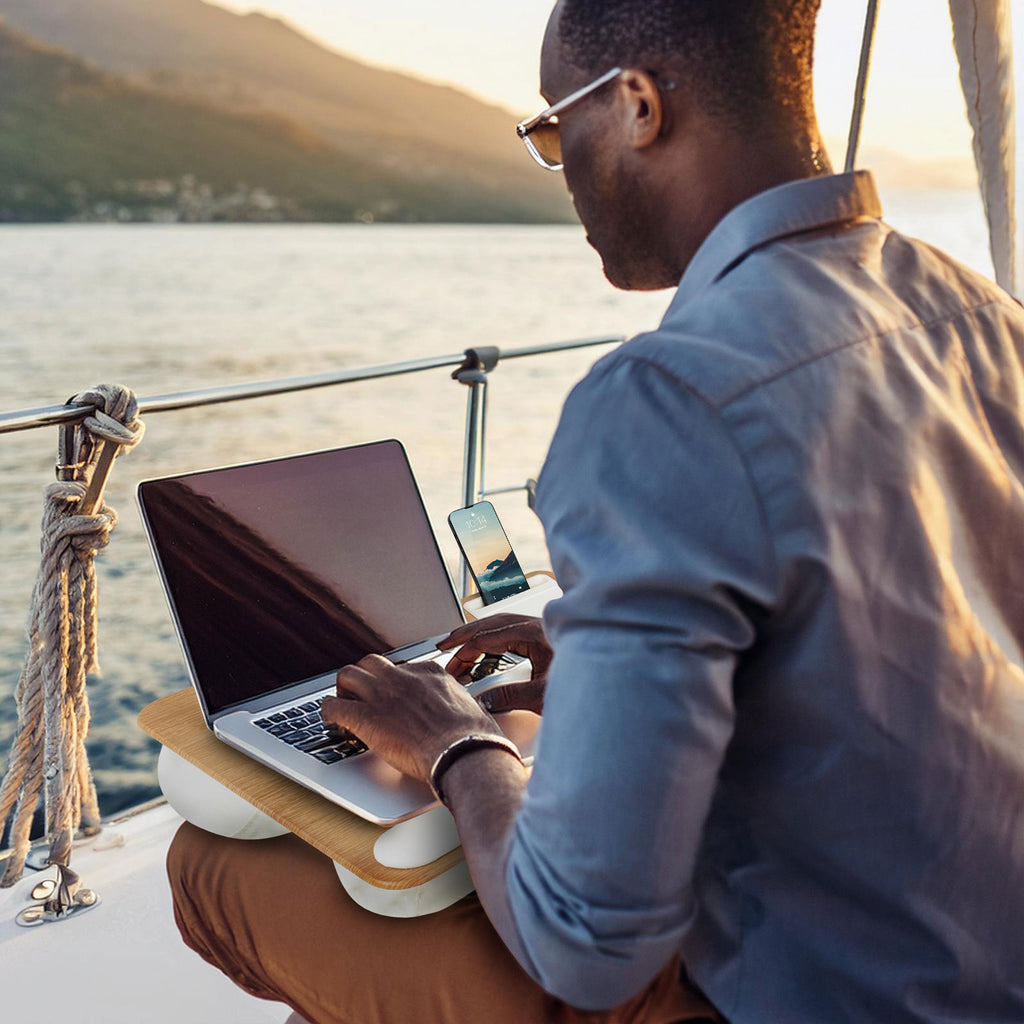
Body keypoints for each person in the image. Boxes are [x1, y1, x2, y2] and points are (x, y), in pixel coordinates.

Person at [167, 0, 1024, 1021]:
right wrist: (605, 658)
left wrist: (452, 743)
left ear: (635, 107)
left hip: (821, 992)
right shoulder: (981, 316)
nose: (557, 161)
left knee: (217, 869)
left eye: (548, 125)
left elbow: (584, 942)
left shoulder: (668, 396)